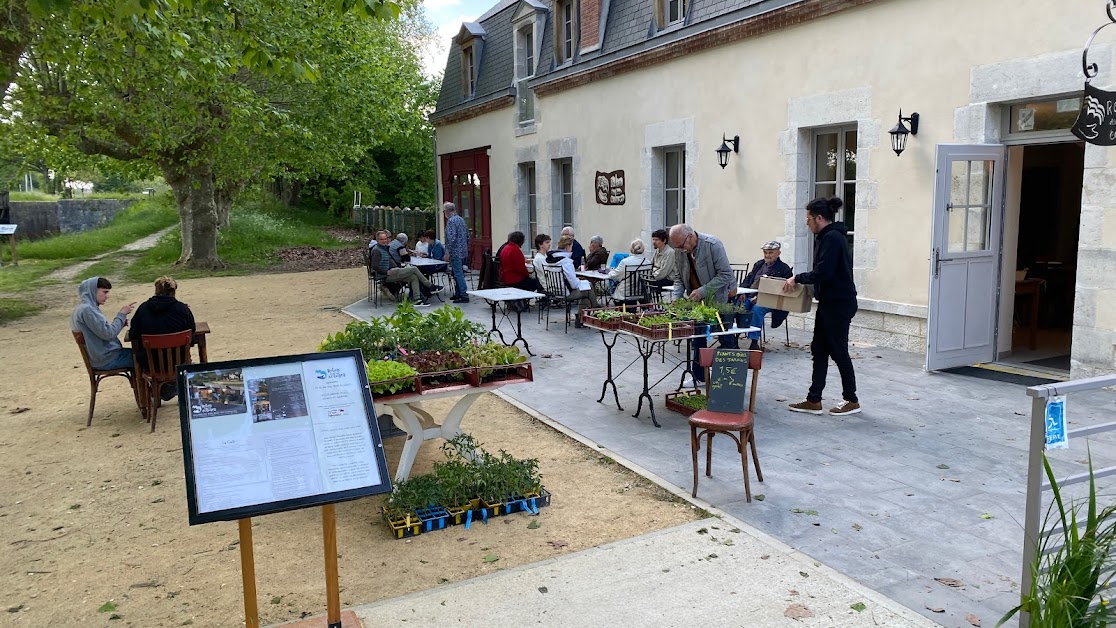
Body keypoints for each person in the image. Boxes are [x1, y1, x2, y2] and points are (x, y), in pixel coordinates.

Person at [783, 196, 860, 416]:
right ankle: (814, 399)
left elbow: (824, 273)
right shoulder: (828, 237)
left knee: (838, 351)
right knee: (819, 350)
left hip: (839, 304)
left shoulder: (832, 238)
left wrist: (797, 278)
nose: (807, 224)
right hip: (829, 303)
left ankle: (851, 399)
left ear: (818, 218)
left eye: (808, 220)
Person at [669, 224, 738, 387]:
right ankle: (699, 376)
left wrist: (703, 290)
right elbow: (679, 277)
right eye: (676, 246)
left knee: (725, 337)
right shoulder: (680, 250)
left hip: (718, 299)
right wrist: (676, 298)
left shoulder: (713, 245)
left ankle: (730, 378)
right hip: (695, 300)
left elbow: (726, 274)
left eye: (681, 245)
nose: (680, 249)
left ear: (691, 236)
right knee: (698, 338)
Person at [129, 276, 196, 400]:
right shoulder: (182, 309)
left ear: (156, 290)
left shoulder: (143, 309)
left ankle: (152, 396)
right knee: (187, 358)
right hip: (178, 362)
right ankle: (175, 388)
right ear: (173, 292)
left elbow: (133, 335)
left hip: (151, 364)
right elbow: (192, 336)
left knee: (140, 356)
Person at [71, 276, 136, 371]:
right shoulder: (88, 310)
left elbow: (103, 331)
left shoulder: (83, 308)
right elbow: (109, 334)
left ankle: (141, 385)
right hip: (107, 359)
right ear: (93, 290)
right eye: (104, 292)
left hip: (101, 357)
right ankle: (155, 386)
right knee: (149, 359)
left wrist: (120, 324)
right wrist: (121, 314)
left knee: (144, 356)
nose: (107, 296)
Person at [739, 241, 794, 350]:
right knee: (737, 307)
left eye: (770, 253)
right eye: (765, 252)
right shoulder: (759, 264)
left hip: (770, 300)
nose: (767, 255)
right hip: (750, 296)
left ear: (778, 253)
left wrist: (760, 298)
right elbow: (749, 279)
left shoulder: (784, 269)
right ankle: (733, 339)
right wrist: (742, 292)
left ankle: (754, 342)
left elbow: (783, 291)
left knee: (757, 309)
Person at [370, 230, 439, 306]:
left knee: (413, 277)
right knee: (414, 269)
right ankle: (430, 286)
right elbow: (374, 266)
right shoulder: (377, 250)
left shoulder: (385, 248)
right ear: (377, 240)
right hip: (386, 275)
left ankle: (417, 299)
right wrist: (386, 272)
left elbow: (390, 260)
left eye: (385, 239)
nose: (384, 241)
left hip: (393, 270)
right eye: (381, 239)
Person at [545, 235, 599, 327]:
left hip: (553, 291)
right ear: (567, 247)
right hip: (566, 293)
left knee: (586, 288)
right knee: (588, 287)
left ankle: (584, 315)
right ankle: (595, 310)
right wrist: (580, 282)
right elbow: (574, 285)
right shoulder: (566, 262)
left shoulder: (549, 260)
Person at [608, 239, 651, 303]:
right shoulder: (648, 262)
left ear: (631, 249)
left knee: (615, 289)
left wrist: (610, 271)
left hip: (625, 294)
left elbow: (614, 275)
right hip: (641, 292)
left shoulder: (625, 262)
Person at [443, 202, 470, 303]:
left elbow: (451, 238)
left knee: (458, 273)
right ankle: (458, 293)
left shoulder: (451, 221)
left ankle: (463, 294)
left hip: (455, 252)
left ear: (447, 211)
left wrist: (448, 252)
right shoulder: (461, 219)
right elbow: (467, 235)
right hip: (463, 251)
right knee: (457, 272)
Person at [649, 228, 679, 296]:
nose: (654, 242)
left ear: (664, 241)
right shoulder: (657, 251)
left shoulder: (670, 253)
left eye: (656, 240)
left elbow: (663, 272)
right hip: (658, 278)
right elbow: (650, 266)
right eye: (653, 239)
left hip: (668, 280)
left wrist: (652, 274)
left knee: (650, 284)